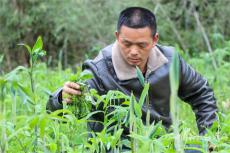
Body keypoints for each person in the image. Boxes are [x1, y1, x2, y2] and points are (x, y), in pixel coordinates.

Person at [46, 6, 217, 150]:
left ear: (155, 39)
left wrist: (209, 138)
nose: (134, 51)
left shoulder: (171, 61)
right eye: (126, 44)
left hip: (164, 145)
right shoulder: (98, 70)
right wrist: (62, 97)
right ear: (117, 37)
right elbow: (64, 113)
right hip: (118, 148)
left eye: (142, 45)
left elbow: (202, 94)